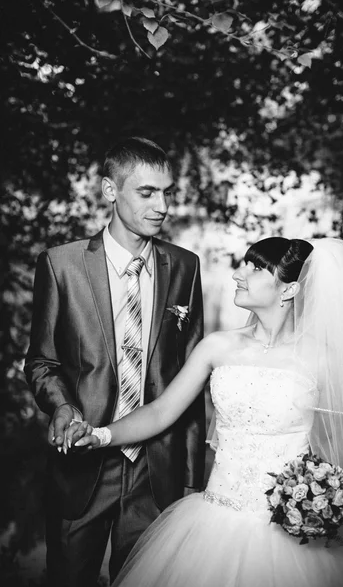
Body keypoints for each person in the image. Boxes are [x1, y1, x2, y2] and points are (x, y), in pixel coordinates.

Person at [66, 237, 343, 587]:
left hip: (287, 536)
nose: (238, 275)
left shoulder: (322, 360)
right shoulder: (217, 346)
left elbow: (337, 448)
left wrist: (320, 498)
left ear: (290, 289)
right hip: (212, 523)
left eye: (256, 267)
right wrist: (100, 435)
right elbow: (159, 412)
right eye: (243, 263)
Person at [24, 137, 206, 587]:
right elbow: (42, 362)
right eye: (146, 192)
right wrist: (62, 407)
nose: (162, 205)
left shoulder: (186, 267)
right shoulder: (60, 265)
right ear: (110, 190)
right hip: (83, 464)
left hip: (154, 469)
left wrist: (191, 478)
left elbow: (191, 378)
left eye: (167, 192)